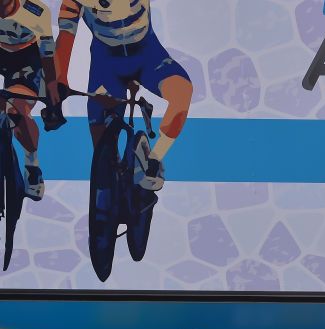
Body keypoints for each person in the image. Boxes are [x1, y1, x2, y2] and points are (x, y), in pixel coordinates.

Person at [56, 0, 192, 191]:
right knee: (101, 149)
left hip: (148, 56)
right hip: (107, 64)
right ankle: (110, 176)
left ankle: (155, 159)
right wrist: (59, 81)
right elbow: (65, 37)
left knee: (182, 93)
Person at [0, 0, 66, 199]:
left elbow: (47, 54)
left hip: (26, 59)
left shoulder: (36, 12)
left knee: (16, 109)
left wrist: (52, 87)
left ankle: (32, 164)